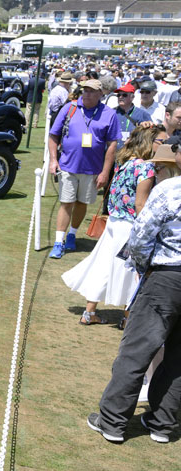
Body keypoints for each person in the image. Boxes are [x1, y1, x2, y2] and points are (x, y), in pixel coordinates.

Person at [87, 133, 181, 443]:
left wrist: (143, 268)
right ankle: (163, 423)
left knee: (136, 352)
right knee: (178, 358)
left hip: (166, 277)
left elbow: (141, 237)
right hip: (168, 275)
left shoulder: (168, 189)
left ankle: (113, 421)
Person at [62, 125, 160, 324]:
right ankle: (127, 317)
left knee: (103, 266)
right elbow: (140, 203)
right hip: (130, 226)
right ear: (150, 143)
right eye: (161, 141)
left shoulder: (123, 163)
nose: (165, 146)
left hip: (114, 223)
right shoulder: (145, 167)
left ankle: (89, 313)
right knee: (132, 271)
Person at [47, 78, 122, 259]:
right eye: (84, 90)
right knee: (66, 203)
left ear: (100, 94)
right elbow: (53, 135)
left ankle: (72, 234)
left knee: (82, 203)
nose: (86, 94)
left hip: (92, 169)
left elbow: (112, 145)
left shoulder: (109, 114)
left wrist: (105, 172)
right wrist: (53, 160)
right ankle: (59, 242)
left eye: (91, 91)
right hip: (68, 165)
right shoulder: (70, 108)